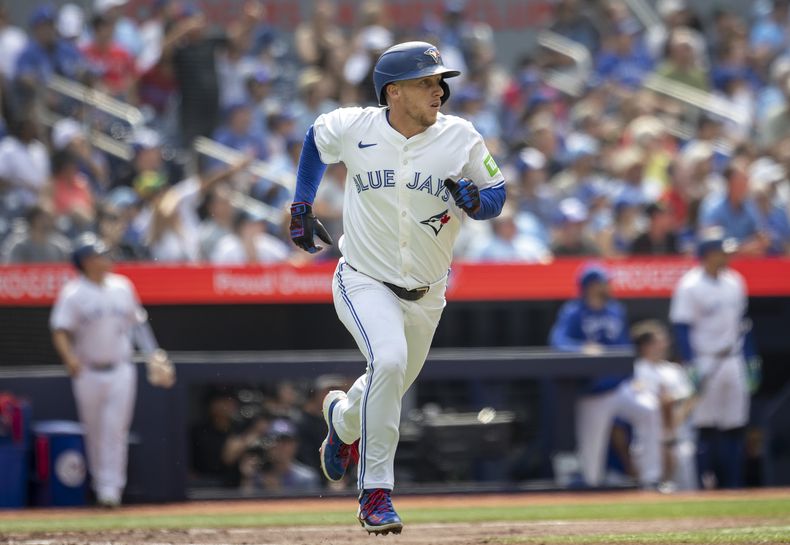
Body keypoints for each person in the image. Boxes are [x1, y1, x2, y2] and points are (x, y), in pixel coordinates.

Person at [288, 41, 505, 534]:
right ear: (394, 91)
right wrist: (301, 206)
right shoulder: (355, 126)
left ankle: (343, 421)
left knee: (387, 384)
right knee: (387, 363)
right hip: (363, 278)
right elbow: (314, 138)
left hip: (428, 294)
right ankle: (376, 493)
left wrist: (478, 201)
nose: (439, 91)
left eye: (440, 82)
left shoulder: (460, 137)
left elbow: (497, 193)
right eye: (427, 82)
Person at [49, 233, 175, 507]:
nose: (107, 258)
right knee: (94, 431)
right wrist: (69, 358)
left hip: (121, 368)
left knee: (115, 430)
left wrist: (153, 354)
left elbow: (138, 324)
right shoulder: (74, 293)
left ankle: (111, 490)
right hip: (88, 370)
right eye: (99, 254)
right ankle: (100, 485)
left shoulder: (122, 286)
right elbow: (60, 330)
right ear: (86, 261)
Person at [549, 266, 661, 489]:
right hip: (593, 392)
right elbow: (557, 342)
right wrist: (582, 348)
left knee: (649, 409)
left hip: (620, 386)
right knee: (592, 463)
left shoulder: (615, 310)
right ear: (591, 286)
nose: (609, 286)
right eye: (604, 282)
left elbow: (625, 346)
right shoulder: (573, 311)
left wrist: (632, 375)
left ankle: (651, 478)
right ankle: (592, 491)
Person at [669, 228, 759, 489]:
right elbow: (682, 327)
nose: (727, 256)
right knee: (705, 426)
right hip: (705, 359)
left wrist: (751, 359)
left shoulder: (735, 281)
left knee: (735, 425)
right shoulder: (690, 285)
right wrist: (691, 364)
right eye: (722, 252)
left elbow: (744, 324)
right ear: (708, 254)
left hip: (733, 357)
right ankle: (704, 486)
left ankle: (734, 486)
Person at [631, 320, 697, 491]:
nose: (664, 345)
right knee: (650, 490)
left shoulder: (674, 370)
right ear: (645, 345)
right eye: (658, 341)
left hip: (680, 438)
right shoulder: (636, 370)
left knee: (687, 492)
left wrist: (672, 429)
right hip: (647, 443)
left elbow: (689, 400)